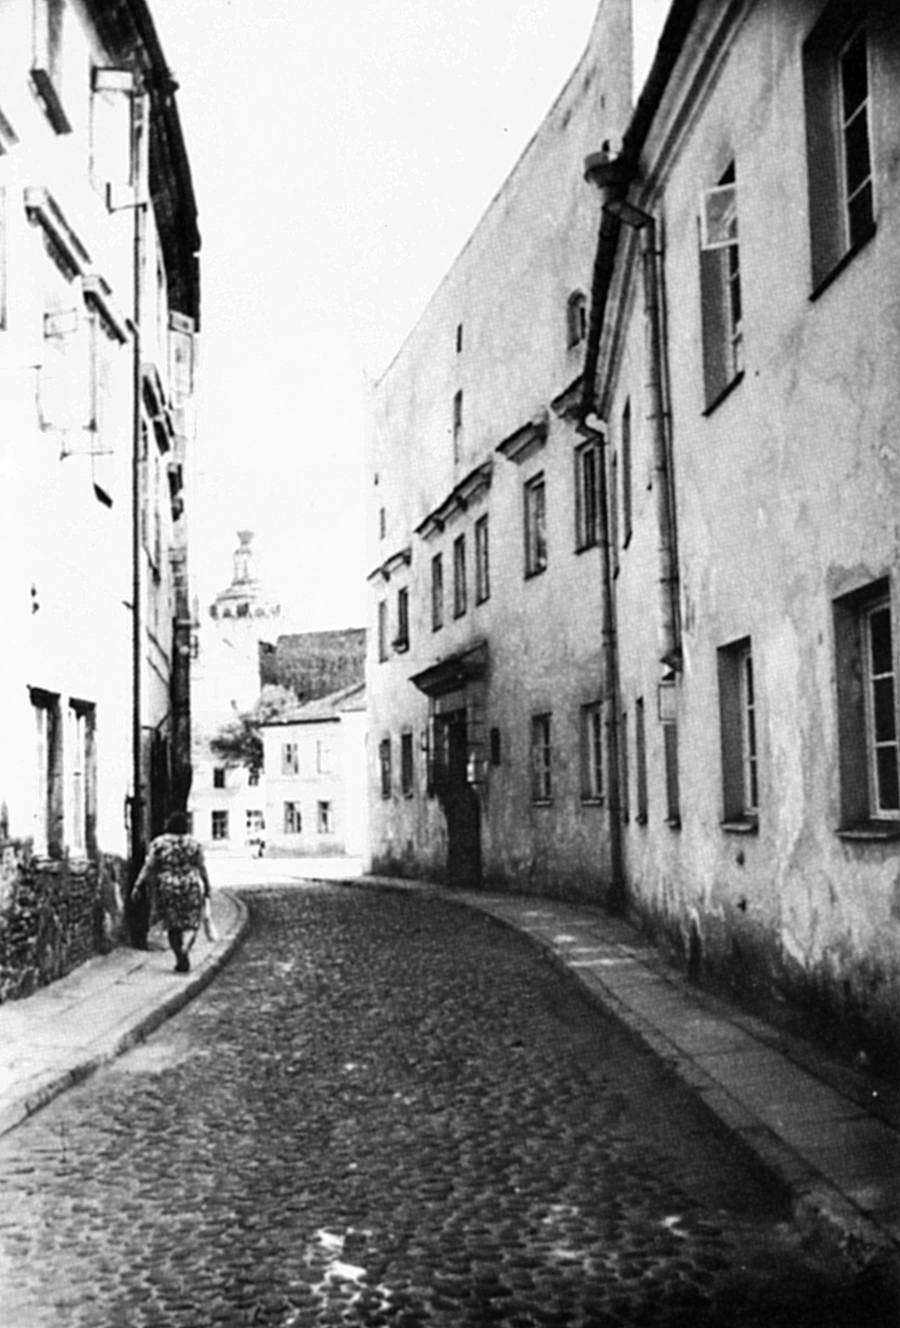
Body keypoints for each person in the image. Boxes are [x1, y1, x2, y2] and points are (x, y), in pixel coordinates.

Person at [133, 811, 211, 973]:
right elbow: (202, 867)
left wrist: (138, 884)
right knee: (191, 923)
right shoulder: (195, 844)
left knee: (173, 925)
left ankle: (179, 954)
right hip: (191, 885)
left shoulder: (160, 843)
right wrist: (207, 886)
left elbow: (149, 866)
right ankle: (186, 949)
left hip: (169, 887)